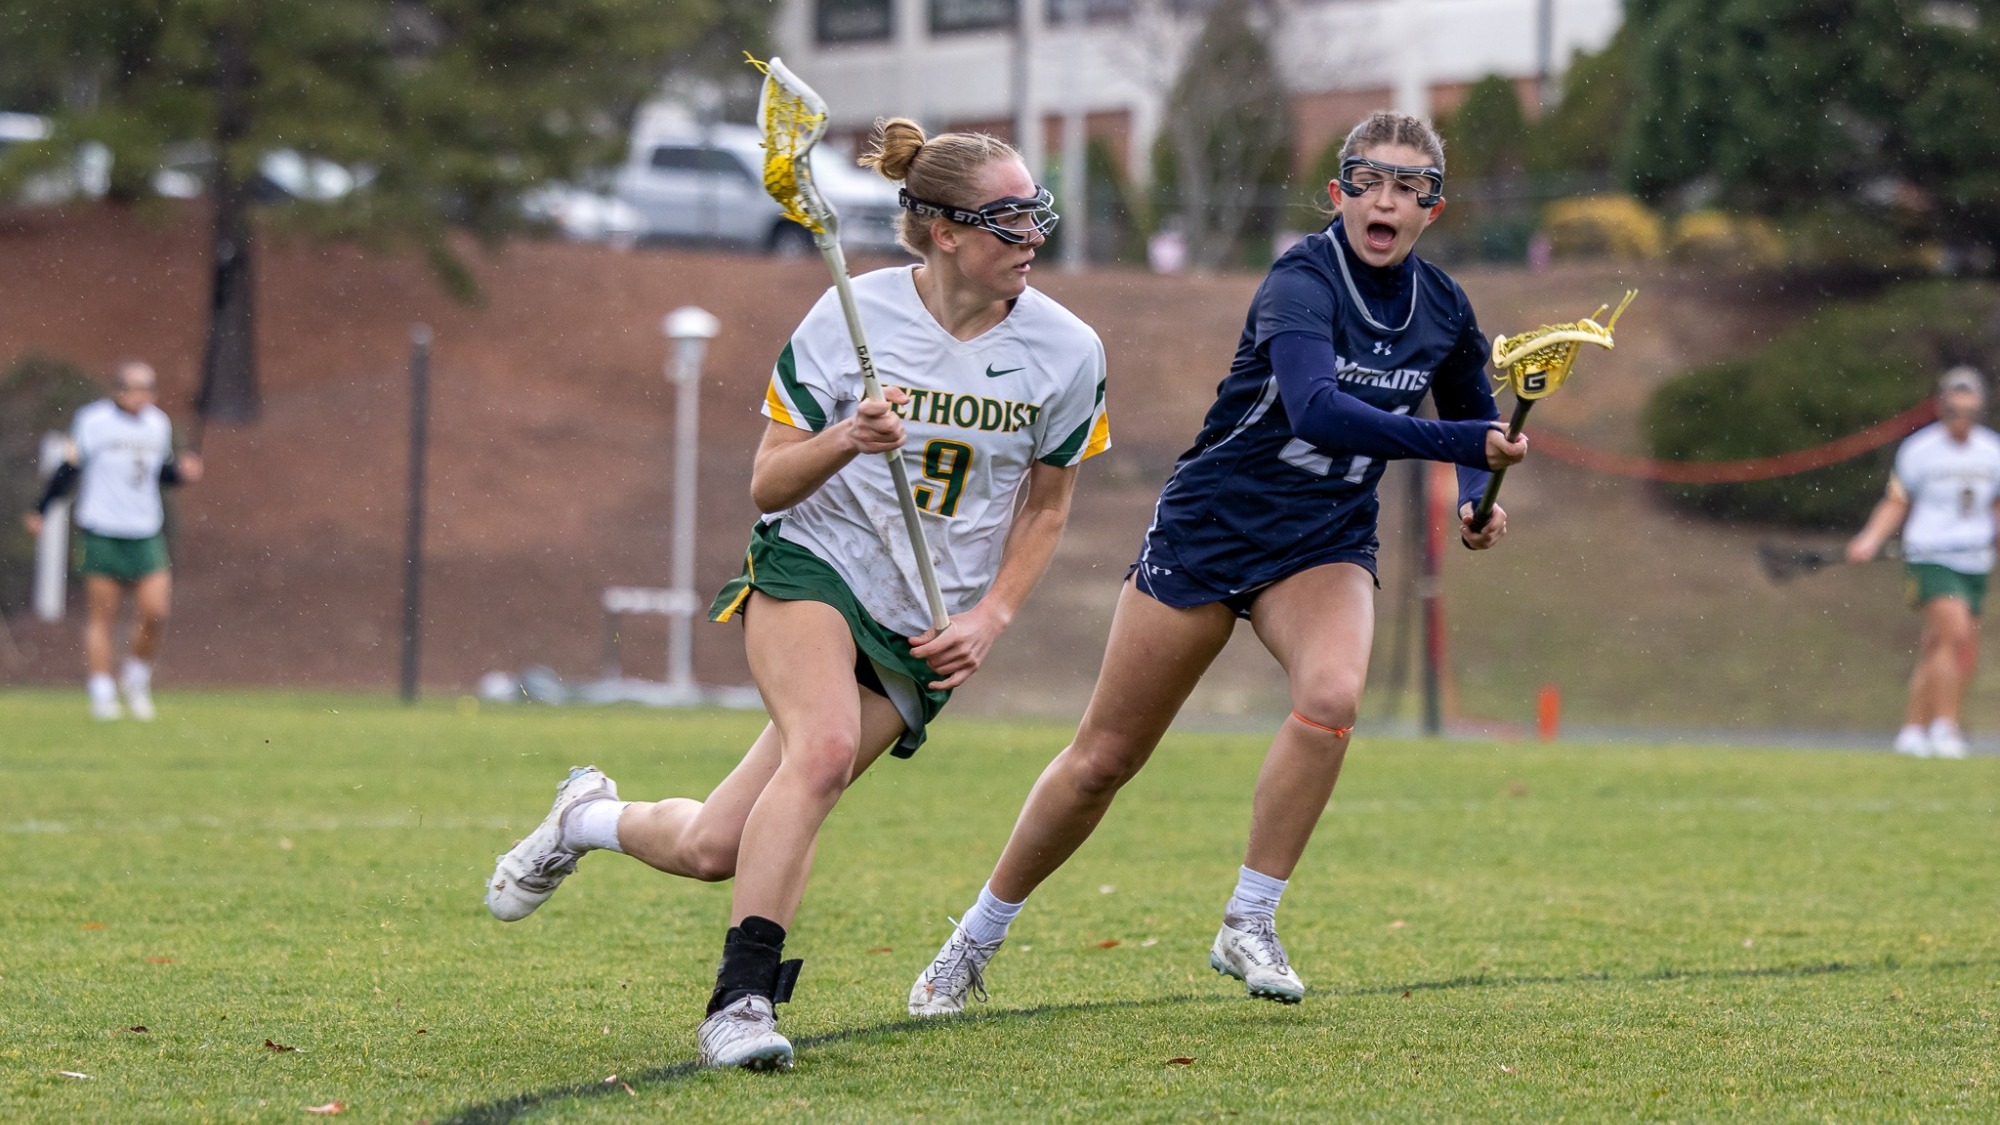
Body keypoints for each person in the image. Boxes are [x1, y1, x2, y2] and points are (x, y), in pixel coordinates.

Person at [482, 119, 1109, 1070]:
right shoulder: (849, 318)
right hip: (815, 565)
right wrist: (846, 440)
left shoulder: (1069, 350)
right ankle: (740, 1004)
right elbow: (770, 484)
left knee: (711, 846)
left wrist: (993, 616)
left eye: (1036, 217)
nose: (1031, 238)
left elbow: (1049, 507)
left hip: (923, 624)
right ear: (942, 230)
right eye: (1009, 219)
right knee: (815, 755)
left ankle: (585, 817)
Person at [906, 110, 1527, 1015]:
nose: (1386, 200)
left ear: (1434, 207)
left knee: (1333, 697)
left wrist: (1477, 493)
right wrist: (1460, 439)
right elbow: (1316, 409)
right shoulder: (1301, 279)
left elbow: (1475, 416)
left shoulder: (1446, 309)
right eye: (1370, 180)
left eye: (1410, 187)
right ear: (1339, 193)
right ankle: (975, 938)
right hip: (1211, 531)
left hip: (1323, 542)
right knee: (1103, 760)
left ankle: (1250, 918)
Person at [23, 360, 202, 721]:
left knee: (155, 613)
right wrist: (43, 508)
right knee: (102, 617)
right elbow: (70, 466)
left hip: (145, 531)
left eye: (148, 388)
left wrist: (180, 473)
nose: (142, 396)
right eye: (135, 388)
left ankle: (136, 679)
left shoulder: (158, 424)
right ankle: (102, 692)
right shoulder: (93, 421)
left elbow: (156, 472)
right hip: (102, 529)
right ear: (118, 390)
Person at [1846, 366, 2000, 759]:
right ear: (1941, 408)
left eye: (1969, 413)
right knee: (1955, 633)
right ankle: (1944, 728)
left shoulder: (1992, 451)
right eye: (1954, 412)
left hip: (1974, 560)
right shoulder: (1920, 450)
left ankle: (1913, 729)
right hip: (1930, 556)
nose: (1961, 421)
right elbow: (1897, 502)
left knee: (1944, 646)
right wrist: (1870, 538)